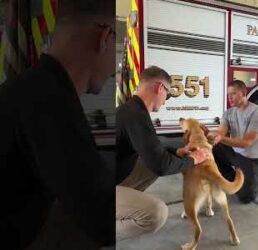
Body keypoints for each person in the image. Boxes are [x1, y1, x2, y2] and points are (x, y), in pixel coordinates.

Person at [0, 0, 117, 249]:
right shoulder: (50, 100)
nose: (116, 69)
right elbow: (103, 219)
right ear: (105, 37)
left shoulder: (32, 87)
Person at [115, 66, 208, 240]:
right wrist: (193, 159)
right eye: (168, 94)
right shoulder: (136, 115)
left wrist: (177, 151)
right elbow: (162, 166)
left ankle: (127, 202)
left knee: (153, 164)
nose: (165, 100)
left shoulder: (133, 109)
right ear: (159, 88)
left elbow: (152, 148)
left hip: (116, 175)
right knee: (156, 213)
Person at [207, 80, 258, 204]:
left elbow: (246, 143)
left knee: (245, 197)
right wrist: (208, 134)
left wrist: (220, 138)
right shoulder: (228, 113)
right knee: (211, 150)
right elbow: (221, 133)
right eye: (228, 94)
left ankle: (257, 175)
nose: (229, 97)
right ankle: (236, 177)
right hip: (236, 153)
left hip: (252, 158)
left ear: (243, 93)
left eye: (233, 94)